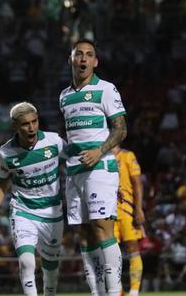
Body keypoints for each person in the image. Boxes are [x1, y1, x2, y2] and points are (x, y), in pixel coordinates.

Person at [0, 102, 66, 296]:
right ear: (15, 126)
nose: (32, 127)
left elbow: (77, 159)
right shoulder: (6, 153)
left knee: (50, 265)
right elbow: (2, 182)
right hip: (23, 210)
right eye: (25, 124)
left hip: (52, 211)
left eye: (34, 121)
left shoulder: (54, 141)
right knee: (26, 262)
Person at [60, 39, 127, 296]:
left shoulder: (107, 89)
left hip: (100, 167)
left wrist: (99, 151)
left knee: (102, 227)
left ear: (95, 62)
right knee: (85, 234)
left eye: (89, 55)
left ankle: (114, 292)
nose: (84, 59)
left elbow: (121, 129)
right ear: (71, 60)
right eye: (79, 55)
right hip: (74, 172)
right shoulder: (64, 97)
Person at [112, 145, 145, 296]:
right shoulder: (101, 156)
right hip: (108, 210)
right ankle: (118, 290)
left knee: (132, 247)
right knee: (110, 251)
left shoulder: (127, 156)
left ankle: (134, 291)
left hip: (127, 210)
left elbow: (137, 183)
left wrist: (138, 209)